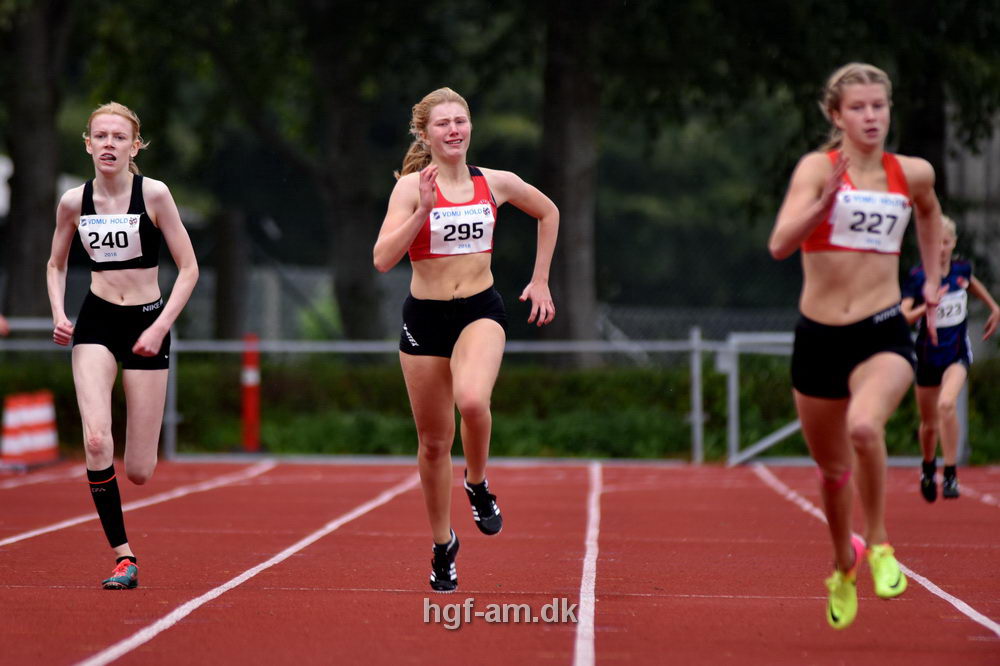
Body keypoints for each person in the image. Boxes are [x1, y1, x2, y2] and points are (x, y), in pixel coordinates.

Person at [768, 63, 944, 630]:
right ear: (836, 115)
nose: (871, 117)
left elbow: (931, 213)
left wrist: (934, 282)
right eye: (859, 108)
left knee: (866, 428)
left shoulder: (911, 172)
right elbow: (778, 245)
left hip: (883, 329)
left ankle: (882, 544)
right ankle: (844, 563)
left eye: (879, 106)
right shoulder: (817, 170)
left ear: (889, 110)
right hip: (819, 336)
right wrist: (819, 209)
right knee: (830, 470)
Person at [374, 88, 558, 592]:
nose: (453, 130)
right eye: (442, 124)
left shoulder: (494, 182)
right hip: (425, 319)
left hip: (480, 309)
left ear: (470, 127)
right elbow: (382, 259)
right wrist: (422, 212)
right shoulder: (411, 189)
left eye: (461, 121)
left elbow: (549, 212)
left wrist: (540, 280)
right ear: (426, 134)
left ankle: (476, 483)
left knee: (473, 401)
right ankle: (443, 546)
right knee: (434, 444)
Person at [46, 102, 198, 589]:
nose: (108, 144)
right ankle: (123, 557)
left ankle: (132, 491)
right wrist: (58, 312)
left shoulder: (154, 195)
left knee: (138, 470)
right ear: (88, 144)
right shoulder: (73, 202)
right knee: (95, 440)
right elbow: (55, 263)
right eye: (100, 136)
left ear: (135, 146)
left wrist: (159, 328)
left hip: (148, 322)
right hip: (95, 323)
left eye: (119, 137)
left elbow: (189, 269)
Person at [901, 216, 999, 501]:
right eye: (934, 243)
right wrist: (926, 307)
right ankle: (928, 467)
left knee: (947, 404)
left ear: (953, 243)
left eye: (945, 242)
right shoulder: (918, 277)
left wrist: (994, 307)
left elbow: (970, 283)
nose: (940, 248)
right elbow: (903, 316)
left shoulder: (961, 269)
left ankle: (952, 473)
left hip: (955, 354)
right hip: (926, 356)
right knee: (929, 423)